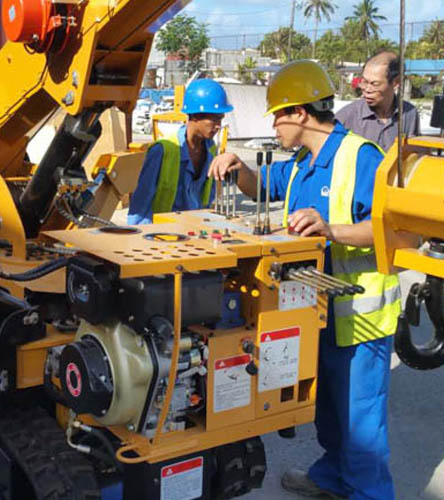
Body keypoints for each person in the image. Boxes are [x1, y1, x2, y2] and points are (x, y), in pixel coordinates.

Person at [209, 60, 401, 500]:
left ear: (299, 112)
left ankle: (369, 493)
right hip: (313, 312)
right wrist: (238, 167)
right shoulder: (301, 163)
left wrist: (330, 229)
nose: (273, 125)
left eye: (278, 115)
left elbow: (394, 232)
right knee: (327, 411)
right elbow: (261, 185)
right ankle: (332, 477)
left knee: (361, 425)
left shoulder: (361, 157)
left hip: (358, 318)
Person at [127, 79, 233, 224]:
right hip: (162, 232)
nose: (218, 126)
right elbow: (141, 204)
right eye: (214, 120)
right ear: (195, 116)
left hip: (195, 228)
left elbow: (209, 196)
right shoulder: (162, 151)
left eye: (220, 119)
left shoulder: (211, 150)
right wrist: (139, 233)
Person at [336, 50, 420, 152]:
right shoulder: (346, 117)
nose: (367, 89)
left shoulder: (409, 114)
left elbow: (414, 153)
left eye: (374, 84)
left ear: (396, 82)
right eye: (364, 82)